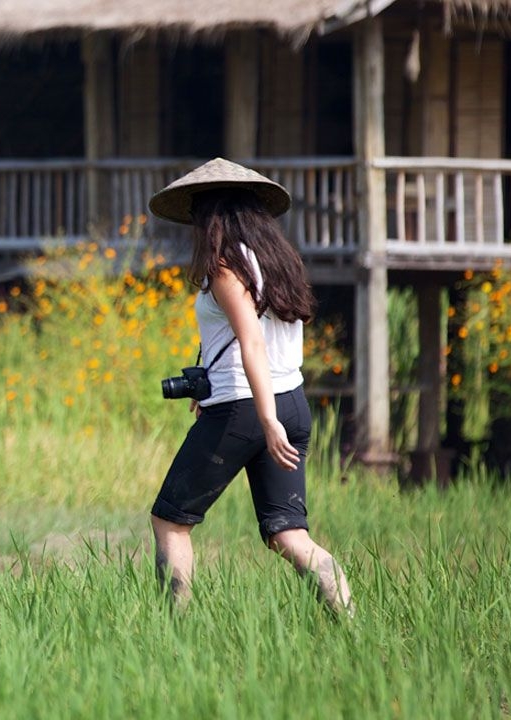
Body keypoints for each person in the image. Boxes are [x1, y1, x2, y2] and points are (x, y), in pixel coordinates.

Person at [146, 158, 353, 615]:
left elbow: (252, 344)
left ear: (210, 218)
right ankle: (350, 620)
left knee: (170, 521)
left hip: (249, 410)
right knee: (288, 534)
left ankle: (170, 629)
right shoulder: (278, 263)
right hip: (292, 402)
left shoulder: (224, 267)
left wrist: (264, 418)